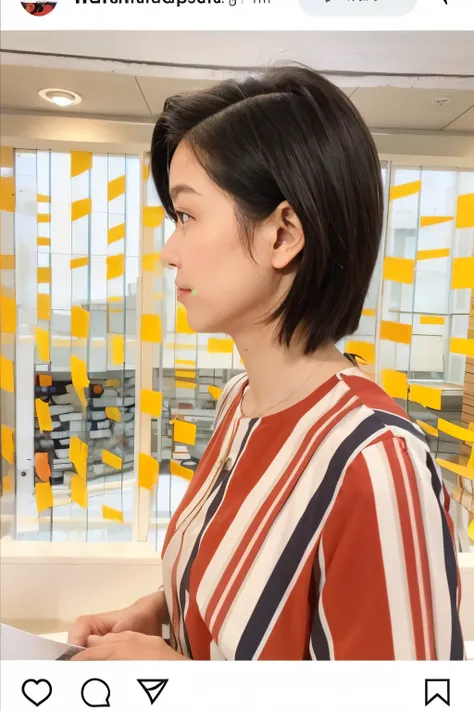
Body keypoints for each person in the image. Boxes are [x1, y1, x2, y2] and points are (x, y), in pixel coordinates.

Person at [69, 65, 464, 661]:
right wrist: (159, 611)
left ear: (283, 234)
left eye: (187, 216)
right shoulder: (239, 402)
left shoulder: (377, 465)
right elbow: (248, 590)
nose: (169, 250)